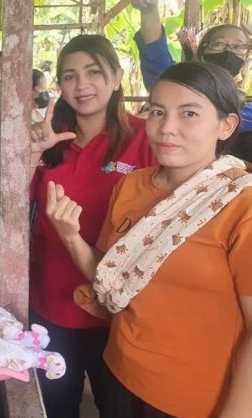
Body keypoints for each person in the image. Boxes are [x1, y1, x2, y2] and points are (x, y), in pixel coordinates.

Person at [47, 61, 252, 418]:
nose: (167, 128)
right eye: (157, 111)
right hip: (120, 374)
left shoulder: (241, 206)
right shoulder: (132, 185)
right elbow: (109, 276)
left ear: (226, 125)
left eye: (189, 113)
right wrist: (70, 236)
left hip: (194, 401)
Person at [28, 34, 158, 418]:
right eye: (70, 76)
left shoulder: (146, 138)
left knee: (119, 409)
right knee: (55, 408)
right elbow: (13, 209)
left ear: (116, 78)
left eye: (93, 72)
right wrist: (31, 154)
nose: (81, 85)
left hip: (119, 313)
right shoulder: (49, 140)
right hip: (52, 303)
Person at [131, 0, 252, 131]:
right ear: (202, 52)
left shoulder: (246, 112)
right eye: (219, 44)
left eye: (238, 47)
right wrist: (149, 10)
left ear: (246, 58)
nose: (229, 51)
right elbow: (155, 51)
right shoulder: (175, 82)